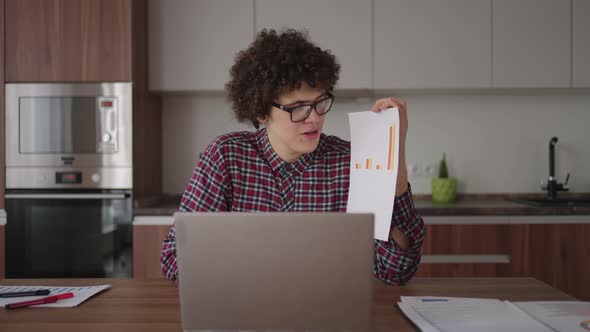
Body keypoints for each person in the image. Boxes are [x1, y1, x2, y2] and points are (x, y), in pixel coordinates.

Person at [161, 29, 425, 285]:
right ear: (261, 112)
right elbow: (174, 261)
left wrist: (395, 146)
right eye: (298, 108)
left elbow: (396, 271)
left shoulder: (350, 162)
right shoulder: (225, 156)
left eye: (320, 103)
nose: (315, 118)